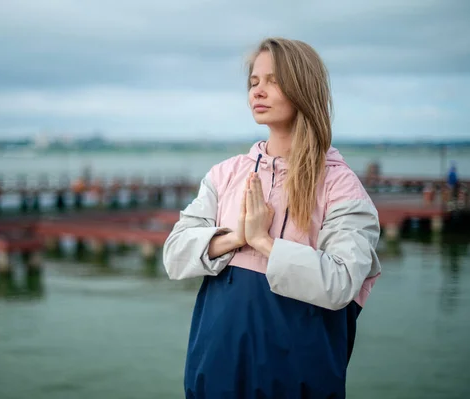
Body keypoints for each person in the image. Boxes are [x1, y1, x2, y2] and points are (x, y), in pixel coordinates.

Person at [163, 37, 381, 399]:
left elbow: (341, 282)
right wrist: (237, 238)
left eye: (273, 81)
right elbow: (174, 255)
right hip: (214, 376)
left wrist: (264, 242)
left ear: (303, 86)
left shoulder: (341, 186)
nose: (258, 91)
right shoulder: (225, 174)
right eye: (253, 82)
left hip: (300, 382)